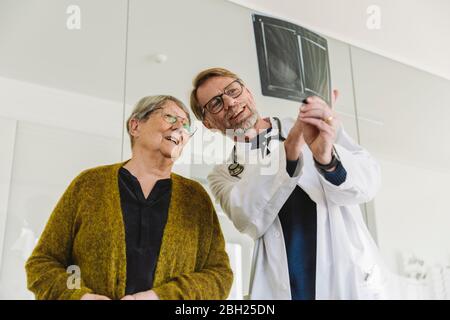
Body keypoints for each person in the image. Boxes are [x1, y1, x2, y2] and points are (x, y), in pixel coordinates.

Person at [189, 67, 393, 300]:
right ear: (208, 123)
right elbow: (247, 219)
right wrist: (291, 149)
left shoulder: (315, 126)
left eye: (233, 90)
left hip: (347, 279)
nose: (230, 102)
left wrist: (329, 162)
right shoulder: (223, 174)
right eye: (215, 103)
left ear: (249, 93)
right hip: (289, 288)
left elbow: (370, 181)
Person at [25, 95, 233, 300]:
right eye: (170, 117)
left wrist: (159, 298)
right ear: (135, 126)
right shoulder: (89, 184)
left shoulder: (196, 198)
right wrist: (80, 298)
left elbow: (219, 276)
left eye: (187, 126)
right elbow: (42, 264)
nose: (180, 127)